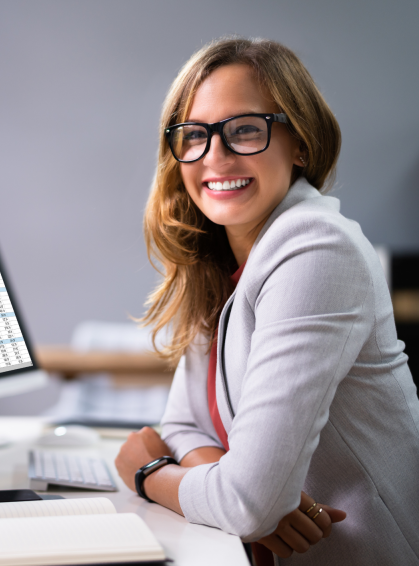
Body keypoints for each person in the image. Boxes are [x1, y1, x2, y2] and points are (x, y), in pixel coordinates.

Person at [114, 37, 419, 565]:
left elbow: (246, 503)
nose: (215, 155)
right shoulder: (219, 258)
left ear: (299, 143)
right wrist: (234, 492)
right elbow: (186, 428)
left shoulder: (317, 248)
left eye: (245, 130)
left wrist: (148, 474)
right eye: (194, 135)